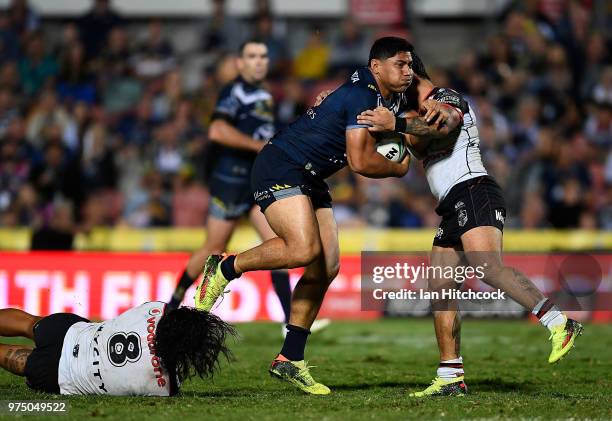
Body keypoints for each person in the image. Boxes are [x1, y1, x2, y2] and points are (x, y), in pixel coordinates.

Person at [354, 54, 584, 397]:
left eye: (401, 78)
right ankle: (451, 375)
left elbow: (442, 125)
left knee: (487, 267)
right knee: (441, 287)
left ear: (412, 73)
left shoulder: (446, 98)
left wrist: (396, 126)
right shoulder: (410, 114)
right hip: (452, 203)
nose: (395, 89)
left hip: (474, 189)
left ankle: (559, 322)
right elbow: (401, 159)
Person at [194, 37, 414, 395]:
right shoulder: (363, 96)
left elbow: (367, 94)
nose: (408, 72)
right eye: (400, 65)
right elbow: (359, 162)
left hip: (310, 175)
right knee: (301, 249)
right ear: (377, 67)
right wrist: (399, 167)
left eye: (410, 65)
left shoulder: (382, 89)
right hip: (281, 164)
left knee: (326, 267)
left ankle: (289, 359)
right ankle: (223, 268)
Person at [167, 39, 299, 334]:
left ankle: (290, 322)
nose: (259, 61)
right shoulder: (233, 91)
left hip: (254, 182)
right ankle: (170, 307)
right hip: (230, 182)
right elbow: (217, 130)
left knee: (280, 243)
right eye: (251, 56)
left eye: (263, 56)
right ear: (240, 63)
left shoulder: (264, 95)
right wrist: (257, 146)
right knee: (213, 248)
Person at [0, 303, 234, 395]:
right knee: (23, 360)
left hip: (70, 330)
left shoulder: (155, 309)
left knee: (29, 323)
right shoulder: (164, 386)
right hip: (60, 373)